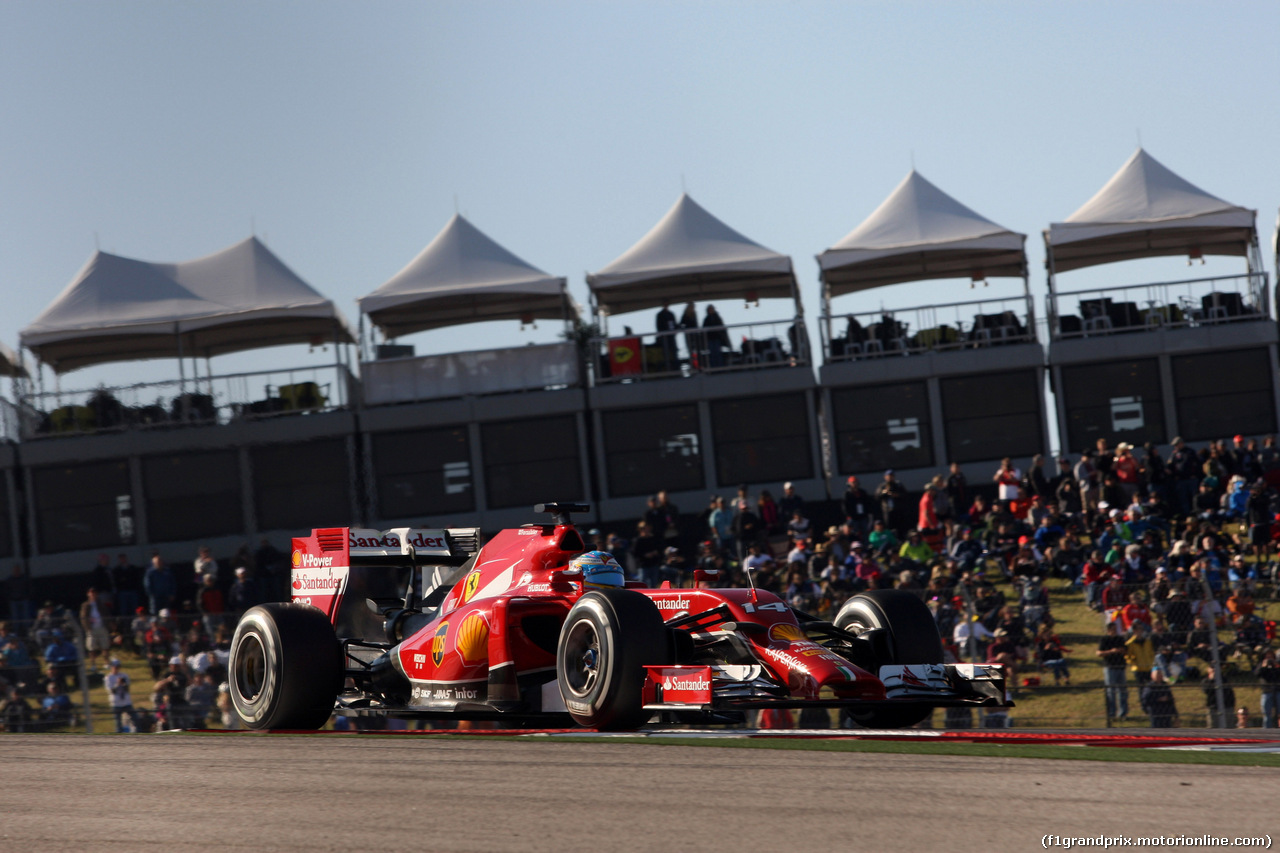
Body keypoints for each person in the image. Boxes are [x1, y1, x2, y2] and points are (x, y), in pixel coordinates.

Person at [1096, 621, 1128, 721]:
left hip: (1121, 667)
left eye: (1116, 629)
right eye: (1113, 629)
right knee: (1111, 692)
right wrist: (1111, 651)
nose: (1115, 631)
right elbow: (1098, 653)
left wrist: (1121, 650)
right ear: (1109, 630)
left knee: (1123, 692)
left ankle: (1123, 713)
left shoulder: (1120, 639)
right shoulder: (1104, 639)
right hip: (1110, 667)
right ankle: (1111, 714)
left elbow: (1126, 650)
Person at [78, 588, 111, 672]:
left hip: (102, 627)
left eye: (94, 593)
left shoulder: (100, 604)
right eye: (91, 593)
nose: (93, 595)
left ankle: (107, 663)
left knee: (105, 646)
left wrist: (108, 625)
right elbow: (83, 617)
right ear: (88, 594)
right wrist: (87, 628)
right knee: (91, 648)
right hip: (91, 629)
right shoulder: (85, 605)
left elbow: (106, 614)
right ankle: (93, 664)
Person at [104, 657, 134, 733]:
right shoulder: (108, 678)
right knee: (118, 724)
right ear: (111, 667)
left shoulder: (124, 675)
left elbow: (127, 689)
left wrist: (123, 684)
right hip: (116, 703)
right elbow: (111, 691)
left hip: (126, 701)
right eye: (114, 666)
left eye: (118, 666)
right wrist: (117, 684)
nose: (116, 668)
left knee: (134, 719)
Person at [655, 301, 679, 373]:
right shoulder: (660, 315)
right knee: (666, 353)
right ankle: (668, 369)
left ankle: (676, 368)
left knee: (674, 352)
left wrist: (675, 330)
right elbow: (658, 326)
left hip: (671, 336)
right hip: (664, 336)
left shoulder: (671, 314)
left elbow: (674, 324)